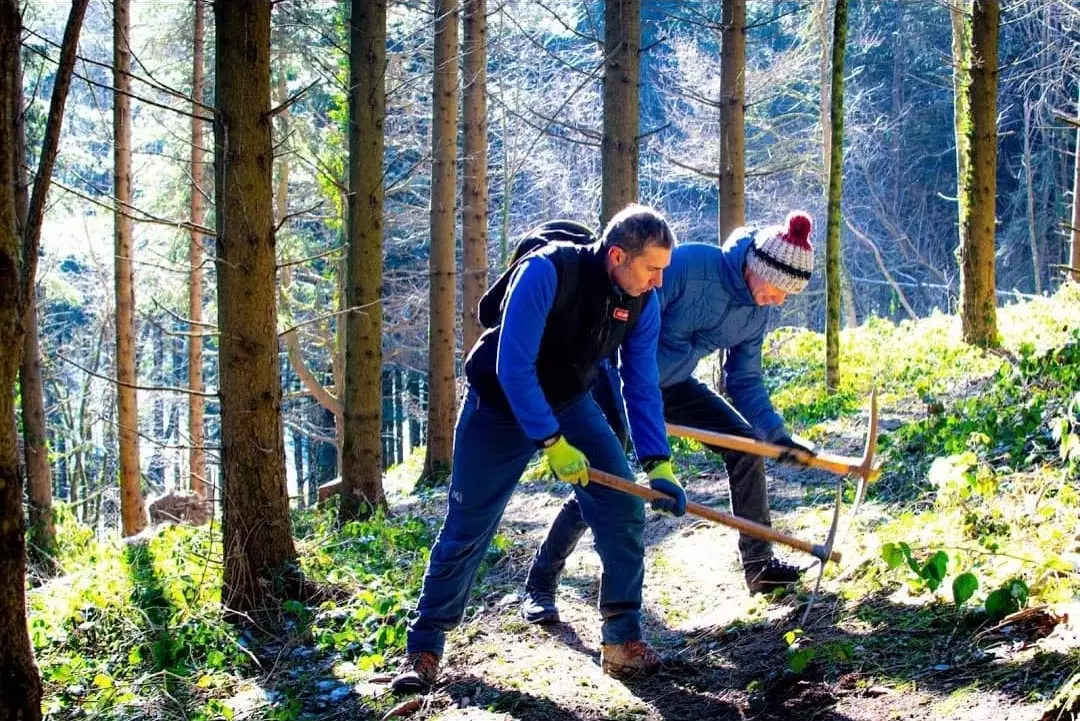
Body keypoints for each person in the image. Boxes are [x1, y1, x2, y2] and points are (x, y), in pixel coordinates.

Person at [391, 204, 686, 693]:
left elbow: (641, 384)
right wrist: (552, 442)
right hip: (500, 406)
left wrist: (658, 463)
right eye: (652, 268)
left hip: (570, 400)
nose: (658, 281)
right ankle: (425, 646)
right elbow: (514, 369)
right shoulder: (546, 272)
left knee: (624, 508)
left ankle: (621, 639)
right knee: (467, 527)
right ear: (617, 255)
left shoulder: (641, 302)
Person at [520, 211, 818, 625]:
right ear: (757, 266)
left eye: (789, 294)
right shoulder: (692, 265)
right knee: (605, 477)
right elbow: (624, 321)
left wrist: (777, 435)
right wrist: (640, 427)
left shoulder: (756, 312)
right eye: (778, 288)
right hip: (617, 379)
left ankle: (760, 567)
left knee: (747, 447)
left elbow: (744, 380)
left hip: (674, 385)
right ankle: (541, 581)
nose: (780, 299)